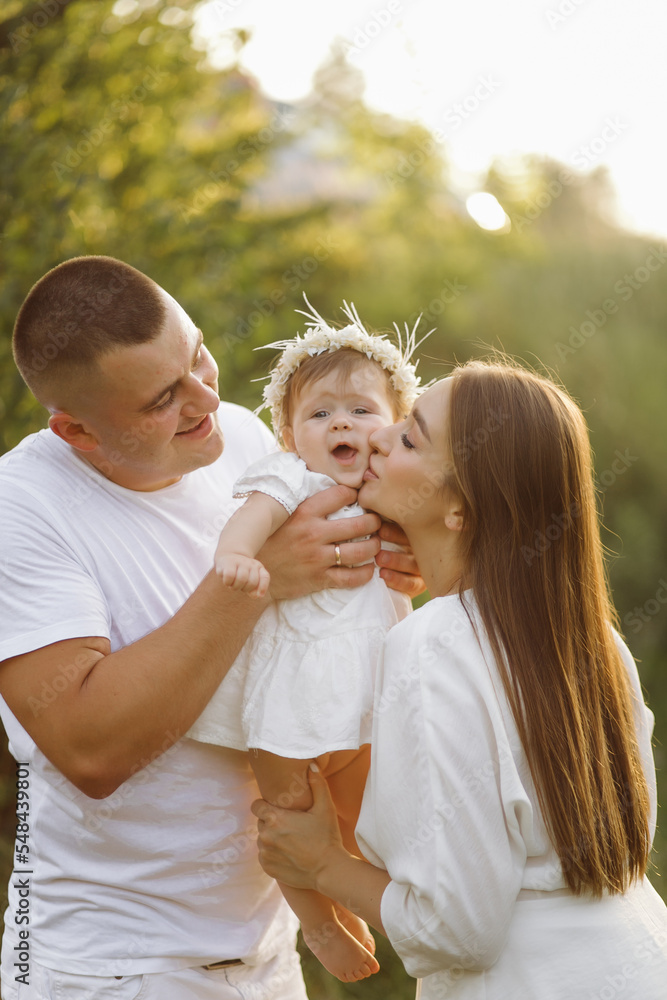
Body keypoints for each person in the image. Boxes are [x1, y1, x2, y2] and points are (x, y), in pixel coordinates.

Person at [0, 255, 423, 1000]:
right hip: (116, 968)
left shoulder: (239, 437)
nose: (204, 397)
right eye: (164, 398)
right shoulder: (22, 508)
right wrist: (263, 583)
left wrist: (394, 560)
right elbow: (88, 749)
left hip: (264, 956)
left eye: (197, 355)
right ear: (77, 430)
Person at [252, 360, 667, 999]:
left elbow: (456, 929)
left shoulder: (435, 644)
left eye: (410, 438)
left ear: (461, 511)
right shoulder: (594, 638)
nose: (380, 435)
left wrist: (320, 863)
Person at [187, 301, 428, 983]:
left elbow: (434, 538)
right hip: (285, 694)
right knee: (288, 818)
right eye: (319, 414)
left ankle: (373, 903)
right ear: (289, 434)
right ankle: (317, 924)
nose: (341, 423)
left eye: (360, 410)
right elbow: (250, 520)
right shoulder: (289, 478)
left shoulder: (390, 484)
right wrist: (237, 557)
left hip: (368, 691)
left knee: (365, 815)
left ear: (395, 427)